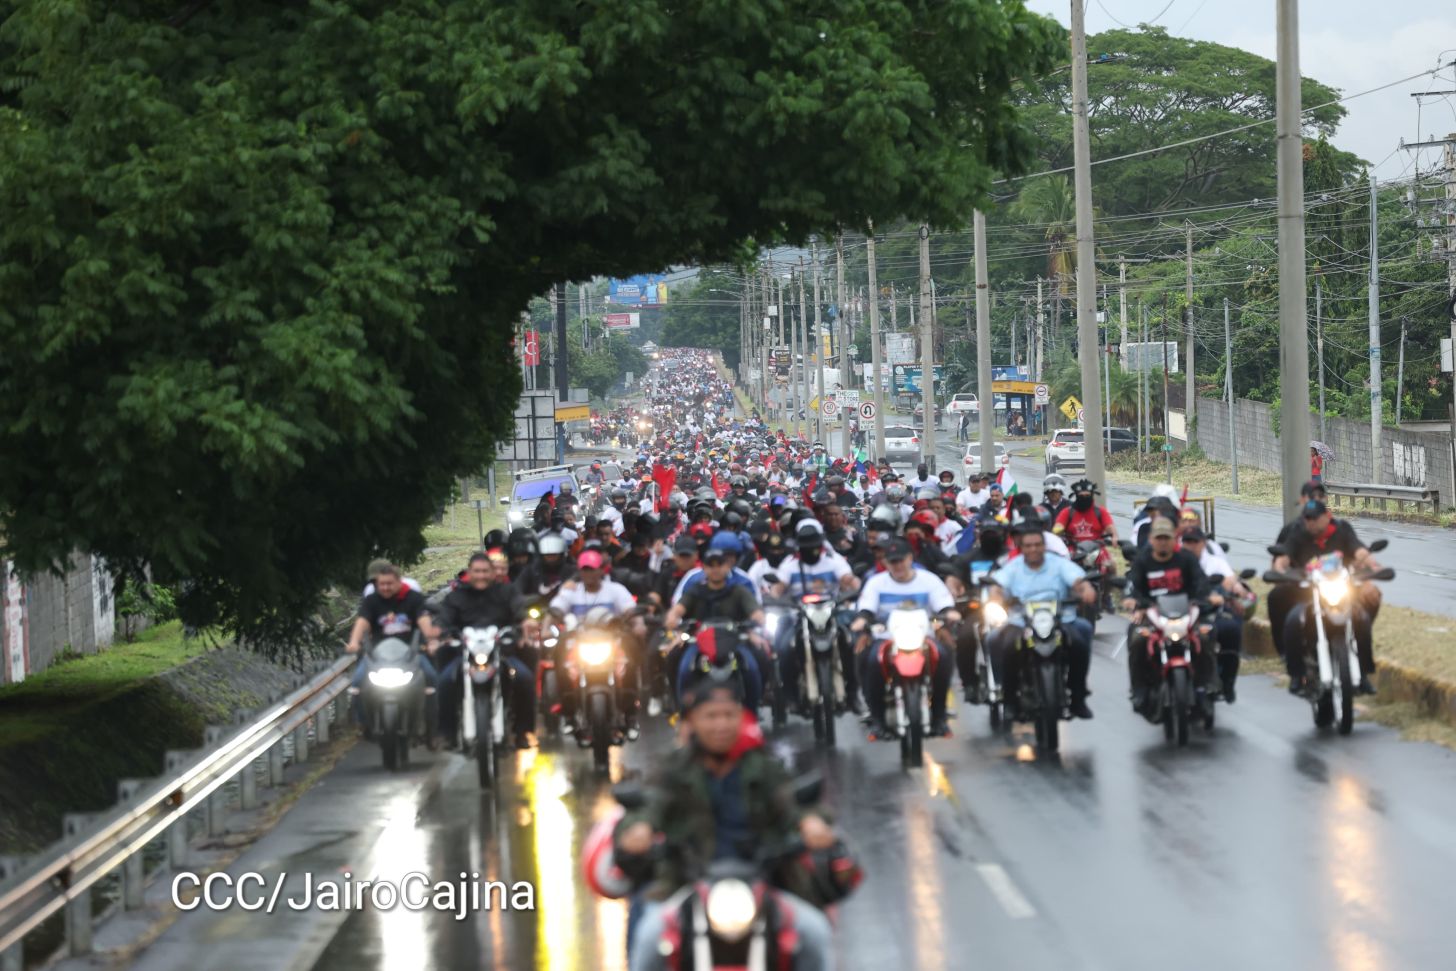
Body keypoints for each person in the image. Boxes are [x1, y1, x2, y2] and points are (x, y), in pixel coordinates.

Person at [615, 673, 838, 971]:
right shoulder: (673, 769)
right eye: (710, 716)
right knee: (648, 939)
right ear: (692, 721)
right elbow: (650, 805)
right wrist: (639, 829)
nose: (720, 725)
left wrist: (811, 823)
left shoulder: (763, 766)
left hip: (762, 883)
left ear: (741, 718)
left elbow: (793, 804)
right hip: (686, 884)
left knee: (814, 933)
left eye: (728, 715)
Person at [1272, 499, 1382, 695]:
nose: (1311, 522)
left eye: (1315, 518)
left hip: (1342, 590)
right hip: (1309, 593)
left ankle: (1363, 673)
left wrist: (1372, 568)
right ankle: (1297, 674)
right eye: (1307, 518)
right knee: (1292, 622)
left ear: (1326, 516)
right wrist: (1279, 570)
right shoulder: (1299, 534)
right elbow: (1284, 557)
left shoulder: (1342, 530)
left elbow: (1360, 551)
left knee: (1363, 618)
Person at [985, 526, 1097, 719]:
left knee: (1082, 636)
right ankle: (1009, 699)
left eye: (1038, 545)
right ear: (1022, 547)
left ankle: (1078, 697)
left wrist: (1085, 589)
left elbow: (1078, 580)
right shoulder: (1013, 567)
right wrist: (996, 597)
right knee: (1001, 642)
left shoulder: (1059, 564)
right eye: (1028, 546)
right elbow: (998, 586)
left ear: (1044, 546)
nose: (1033, 549)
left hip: (1060, 620)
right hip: (1021, 622)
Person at [852, 538, 959, 738]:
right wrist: (862, 620)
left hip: (923, 636)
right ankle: (877, 720)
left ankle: (939, 717)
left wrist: (948, 613)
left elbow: (943, 604)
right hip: (886, 637)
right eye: (893, 561)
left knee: (944, 656)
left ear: (910, 558)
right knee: (871, 661)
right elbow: (866, 608)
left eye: (901, 560)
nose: (898, 565)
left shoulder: (929, 580)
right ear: (885, 563)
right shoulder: (876, 583)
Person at [435, 552, 536, 746]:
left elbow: (519, 611)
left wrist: (525, 622)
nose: (481, 575)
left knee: (524, 678)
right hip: (465, 655)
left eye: (485, 571)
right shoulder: (456, 596)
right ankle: (447, 733)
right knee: (445, 681)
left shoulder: (507, 592)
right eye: (477, 571)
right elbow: (444, 620)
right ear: (469, 572)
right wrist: (441, 633)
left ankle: (522, 732)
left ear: (492, 572)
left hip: (502, 653)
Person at [1121, 517, 1217, 715]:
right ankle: (1139, 689)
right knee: (1137, 638)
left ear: (1174, 539)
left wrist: (1206, 598)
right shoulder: (1143, 561)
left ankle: (1208, 685)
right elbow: (1133, 587)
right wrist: (1132, 601)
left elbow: (1201, 583)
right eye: (1159, 538)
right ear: (1151, 539)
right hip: (1152, 614)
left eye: (1167, 537)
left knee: (1207, 635)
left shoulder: (1186, 558)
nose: (1163, 542)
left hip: (1185, 613)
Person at [345, 563, 429, 721]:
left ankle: (430, 725)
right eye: (382, 584)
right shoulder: (371, 601)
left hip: (410, 652)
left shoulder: (413, 598)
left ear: (399, 581)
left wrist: (431, 640)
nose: (385, 587)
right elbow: (362, 621)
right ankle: (363, 723)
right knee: (357, 682)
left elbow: (423, 620)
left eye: (389, 583)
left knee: (432, 677)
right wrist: (354, 641)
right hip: (378, 655)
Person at [1180, 527, 1253, 703]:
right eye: (1186, 541)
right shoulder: (1175, 562)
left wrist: (1237, 590)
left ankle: (1227, 681)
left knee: (1230, 630)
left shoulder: (1215, 563)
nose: (1190, 546)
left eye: (1194, 542)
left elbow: (1230, 581)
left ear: (1203, 543)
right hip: (1178, 615)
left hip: (1207, 614)